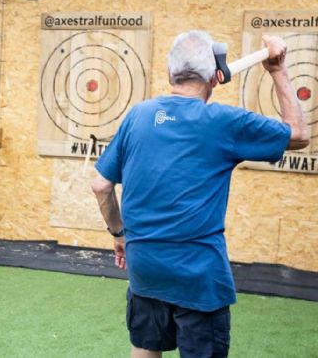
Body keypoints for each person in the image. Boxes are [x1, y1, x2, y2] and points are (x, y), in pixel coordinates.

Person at [91, 31, 308, 358]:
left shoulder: (138, 115)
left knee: (145, 348)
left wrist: (119, 234)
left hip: (144, 265)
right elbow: (299, 134)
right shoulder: (223, 121)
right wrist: (277, 70)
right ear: (214, 76)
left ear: (169, 74)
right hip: (198, 275)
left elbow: (101, 186)